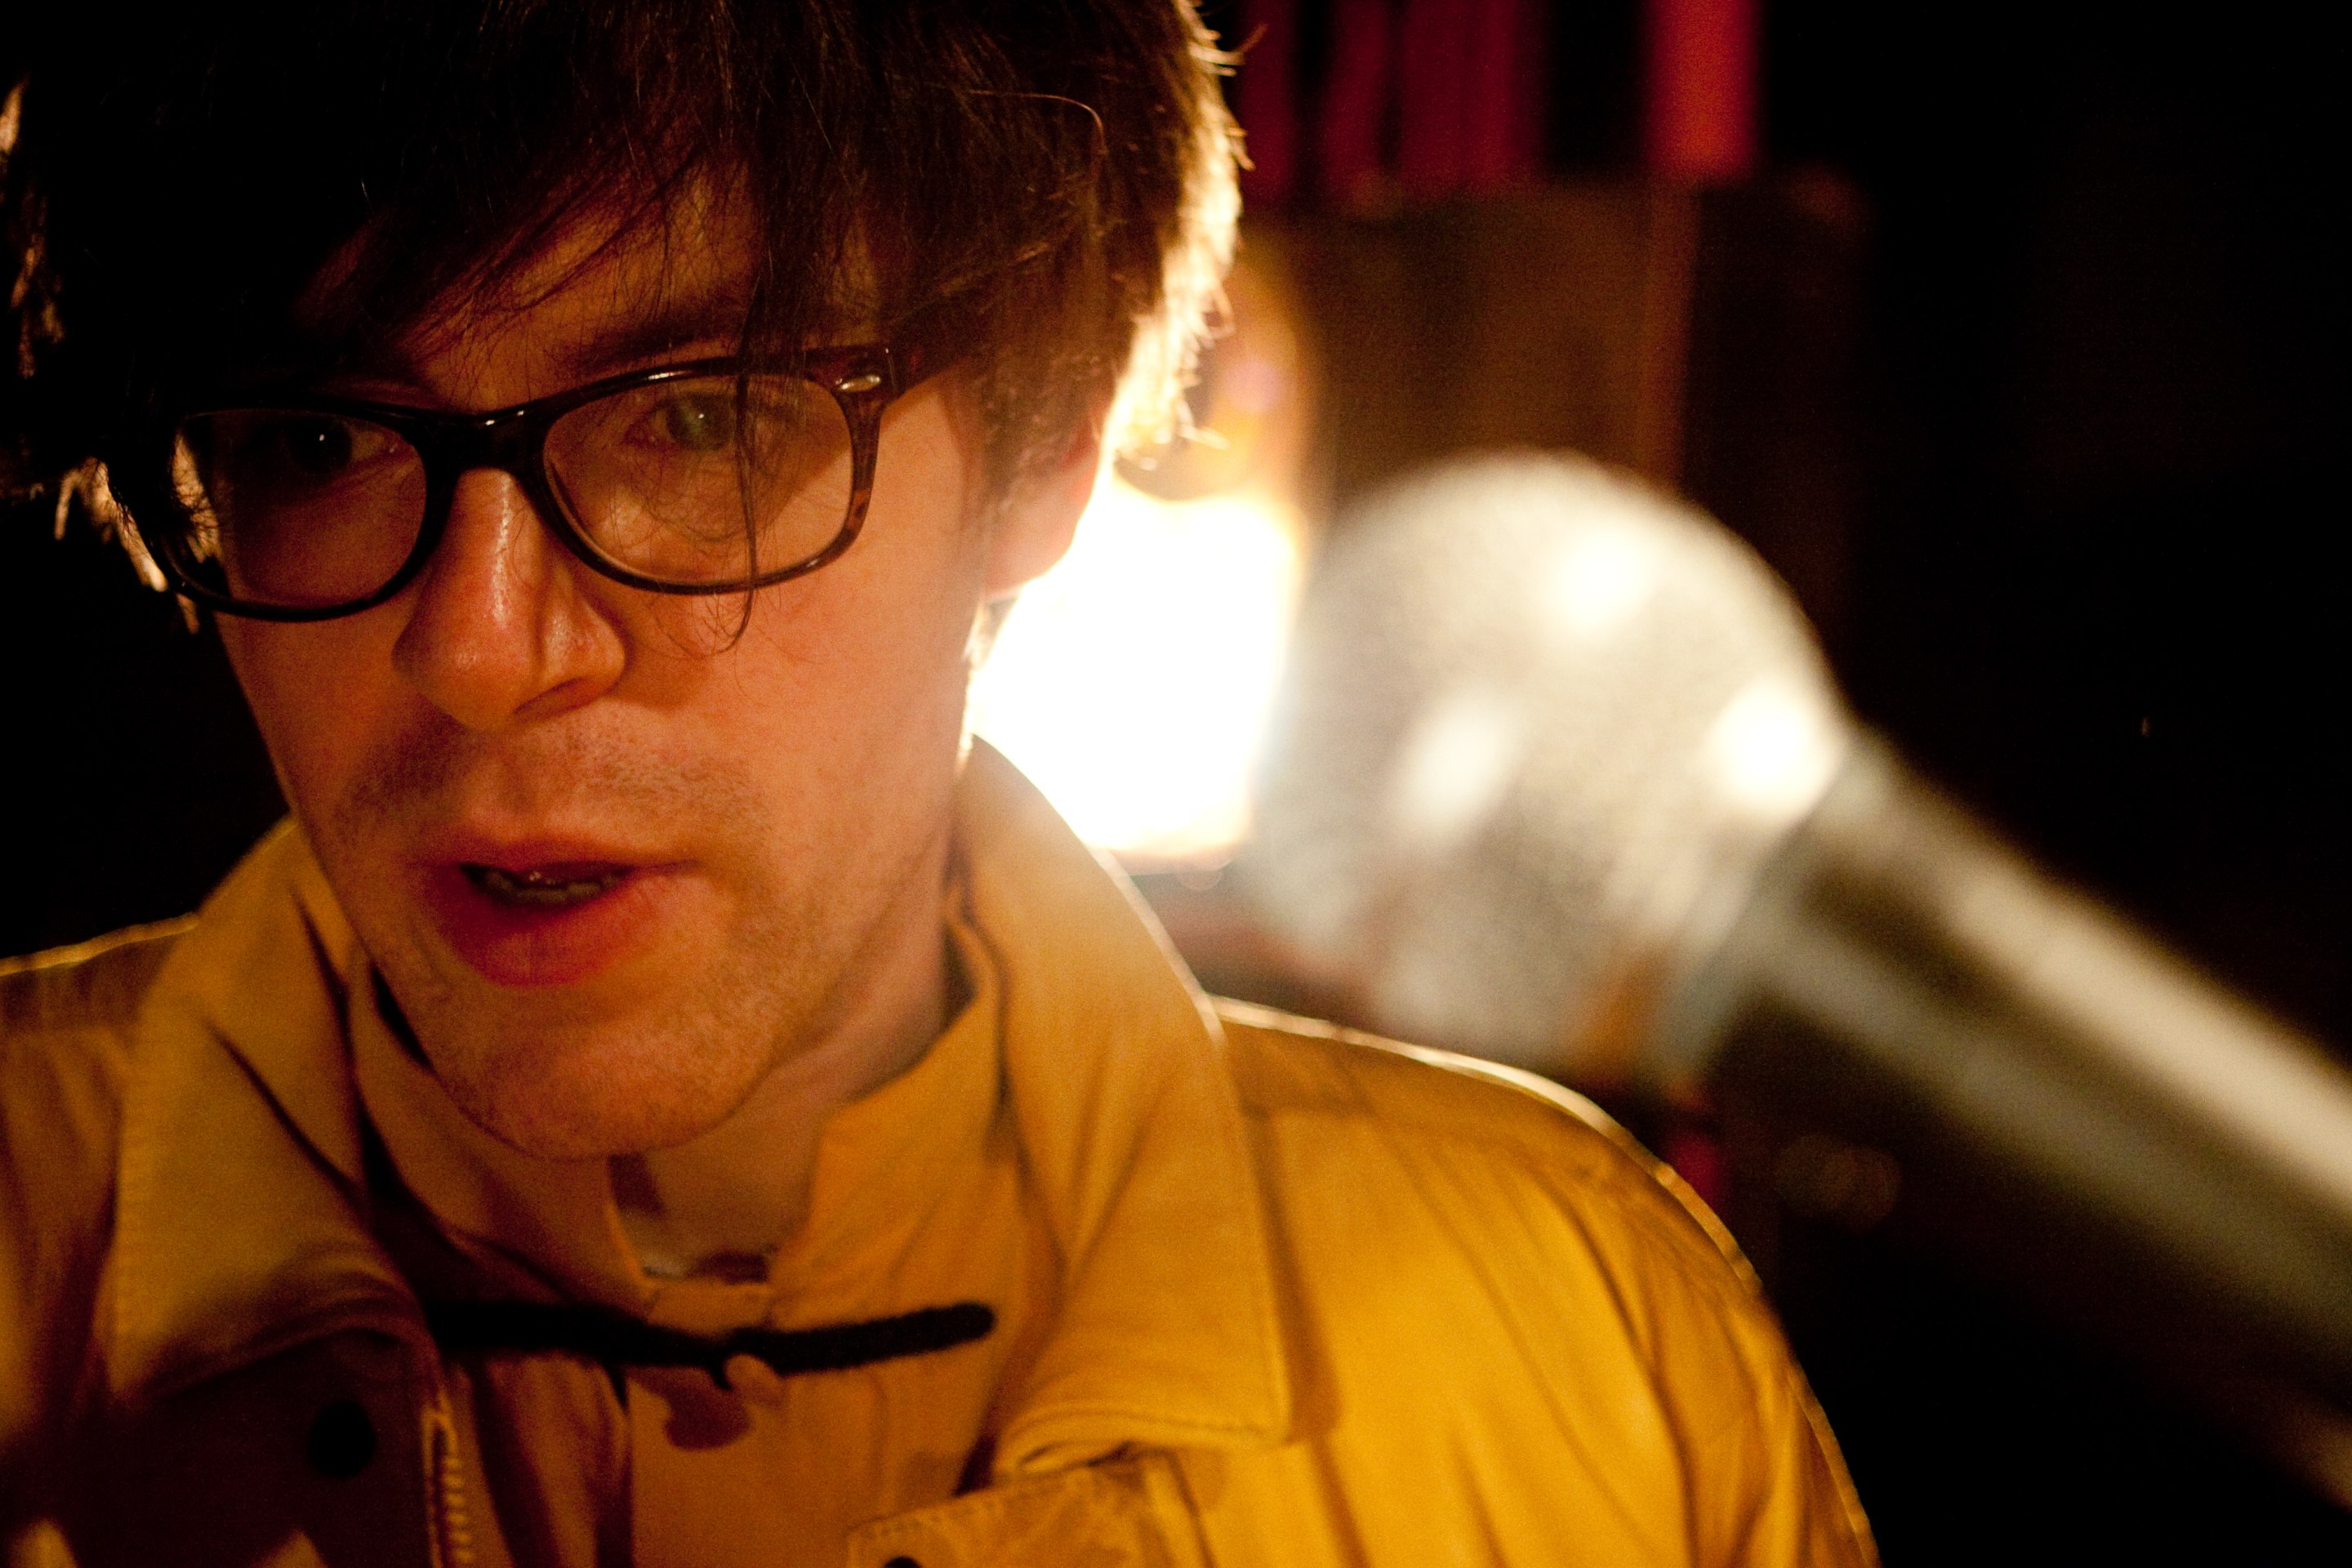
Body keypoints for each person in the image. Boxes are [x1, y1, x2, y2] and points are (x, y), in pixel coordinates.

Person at [0, 2, 1876, 1563]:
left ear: (1050, 448)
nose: (480, 649)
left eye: (699, 419)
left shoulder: (1581, 1346)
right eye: (319, 442)